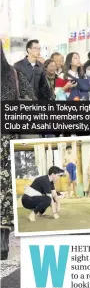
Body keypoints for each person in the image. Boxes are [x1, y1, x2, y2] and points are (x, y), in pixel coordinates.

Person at [1, 41, 34, 259]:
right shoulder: (13, 74)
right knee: (4, 191)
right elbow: (30, 103)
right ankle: (3, 240)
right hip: (7, 141)